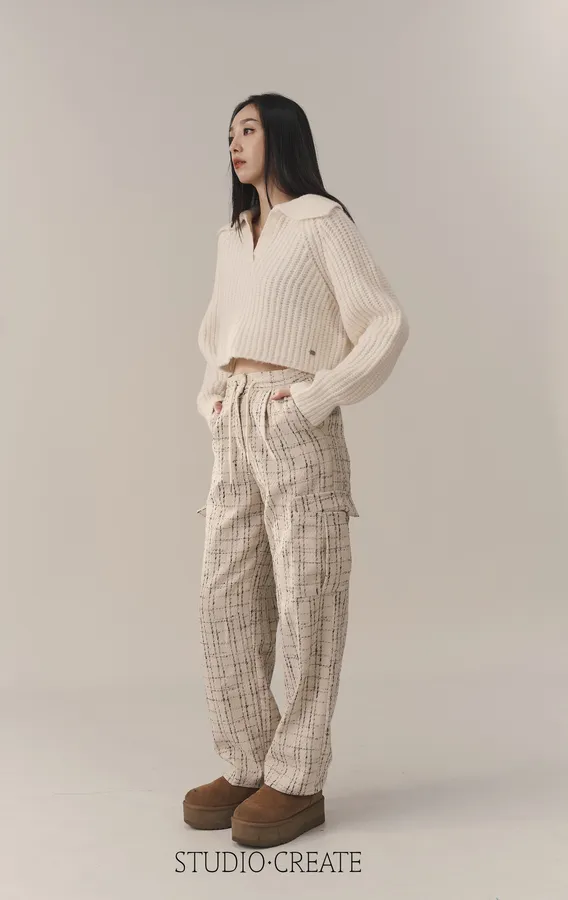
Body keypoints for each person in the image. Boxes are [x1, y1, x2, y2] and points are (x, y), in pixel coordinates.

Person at [183, 92, 409, 848]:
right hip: (237, 424)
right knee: (224, 596)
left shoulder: (321, 222)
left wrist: (315, 399)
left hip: (293, 421)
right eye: (229, 134)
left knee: (308, 596)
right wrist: (214, 403)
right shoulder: (232, 237)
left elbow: (383, 321)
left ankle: (298, 776)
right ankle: (248, 761)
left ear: (282, 137)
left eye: (247, 130)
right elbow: (216, 334)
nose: (234, 144)